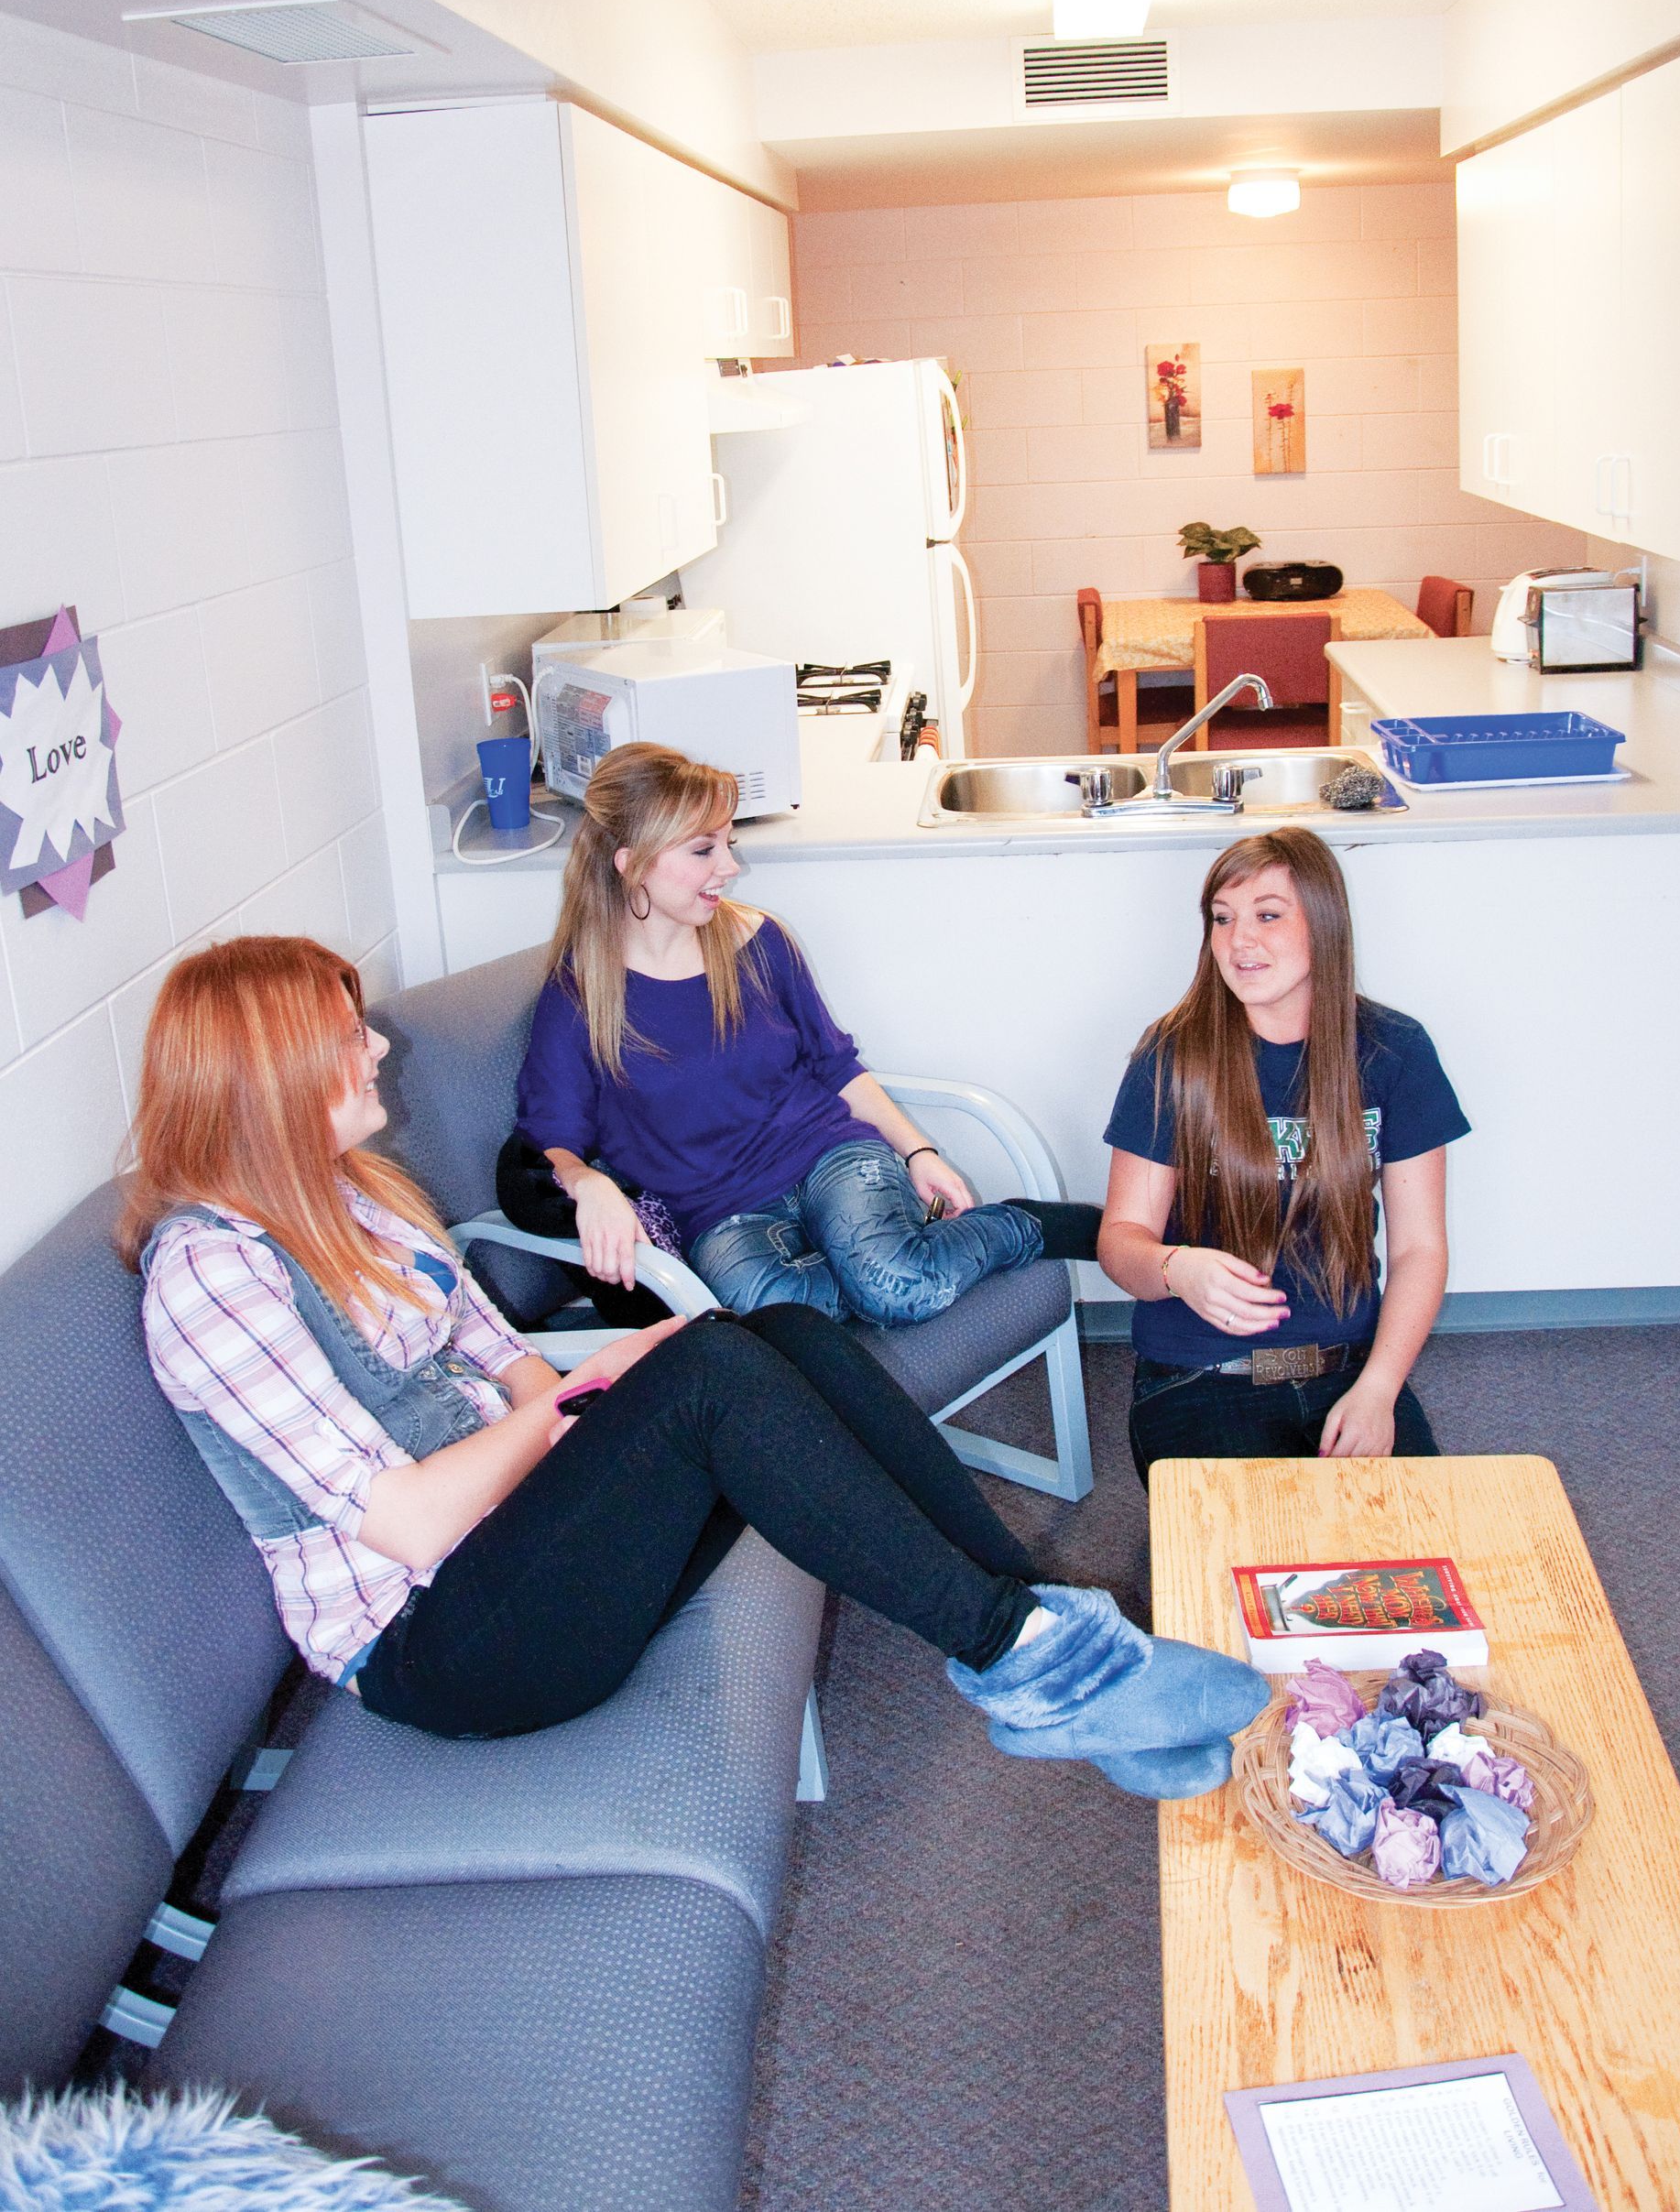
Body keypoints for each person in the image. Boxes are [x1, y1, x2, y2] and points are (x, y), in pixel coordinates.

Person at [123, 936, 1265, 1796]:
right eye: (346, 1034)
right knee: (713, 1366)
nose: (375, 1045)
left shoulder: (354, 1199)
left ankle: (1036, 1636)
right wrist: (587, 1398)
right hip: (446, 1643)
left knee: (786, 1337)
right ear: (272, 1073)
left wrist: (579, 1397)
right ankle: (1029, 1656)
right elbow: (412, 1525)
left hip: (523, 1530)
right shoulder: (209, 1277)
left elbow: (505, 1361)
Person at [498, 742, 1096, 1327]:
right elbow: (548, 1137)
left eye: (727, 844)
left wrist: (920, 1151)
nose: (730, 868)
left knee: (899, 1291)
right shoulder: (581, 996)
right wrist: (587, 1182)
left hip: (826, 1154)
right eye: (703, 849)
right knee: (783, 1328)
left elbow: (835, 1065)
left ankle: (1024, 1226)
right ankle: (888, 1261)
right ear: (632, 862)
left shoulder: (758, 940)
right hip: (719, 1215)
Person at [1097, 829, 1469, 1478]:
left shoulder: (1395, 1051)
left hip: (1349, 1368)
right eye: (1223, 918)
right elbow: (1121, 1243)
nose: (1239, 940)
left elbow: (1419, 1249)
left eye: (1268, 914)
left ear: (1323, 924)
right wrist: (1176, 1268)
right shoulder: (1171, 1057)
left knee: (1407, 1565)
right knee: (1247, 1569)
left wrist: (1380, 1389)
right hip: (1199, 1376)